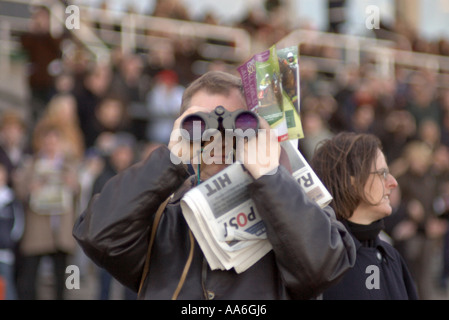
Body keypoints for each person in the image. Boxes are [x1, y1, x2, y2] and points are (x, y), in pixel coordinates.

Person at [73, 70, 356, 300]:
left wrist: (269, 177)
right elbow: (99, 236)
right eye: (202, 124)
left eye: (236, 124)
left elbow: (323, 267)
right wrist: (170, 161)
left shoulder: (289, 203)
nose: (220, 138)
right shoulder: (164, 217)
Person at [310, 132, 419, 300]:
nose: (393, 183)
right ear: (350, 182)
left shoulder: (391, 256)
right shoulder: (320, 263)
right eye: (382, 173)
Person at [15, 121, 80, 300]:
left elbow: (80, 191)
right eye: (47, 140)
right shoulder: (31, 164)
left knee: (64, 280)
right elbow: (20, 190)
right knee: (29, 278)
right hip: (37, 230)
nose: (51, 145)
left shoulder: (70, 165)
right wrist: (31, 188)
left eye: (54, 141)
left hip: (62, 232)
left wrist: (73, 185)